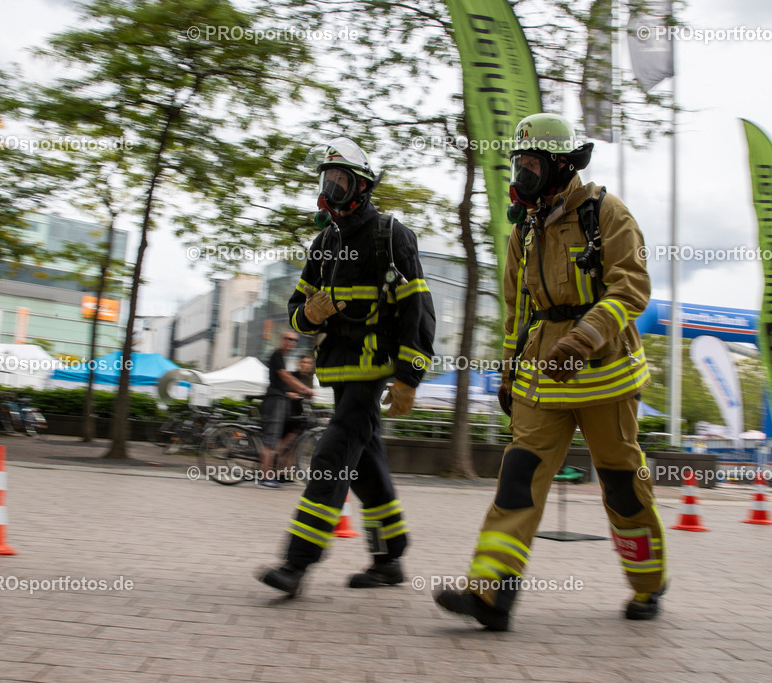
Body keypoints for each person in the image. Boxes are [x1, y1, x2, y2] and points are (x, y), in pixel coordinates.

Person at [434, 113, 667, 631]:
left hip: (605, 375)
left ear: (561, 165)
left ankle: (648, 583)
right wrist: (508, 370)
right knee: (518, 478)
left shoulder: (607, 214)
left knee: (622, 484)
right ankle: (490, 594)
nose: (522, 176)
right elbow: (519, 310)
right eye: (518, 164)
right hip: (544, 375)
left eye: (531, 164)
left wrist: (583, 338)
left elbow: (630, 289)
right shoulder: (525, 231)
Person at [255, 137, 435, 595]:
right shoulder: (323, 244)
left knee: (332, 460)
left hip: (371, 373)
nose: (331, 189)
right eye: (327, 180)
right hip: (338, 374)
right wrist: (308, 314)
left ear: (362, 187)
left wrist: (409, 376)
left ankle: (296, 564)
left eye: (341, 180)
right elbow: (295, 309)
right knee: (366, 464)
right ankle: (389, 557)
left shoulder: (391, 235)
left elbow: (419, 310)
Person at [258, 331, 315, 489]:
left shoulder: (282, 358)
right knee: (271, 440)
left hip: (279, 401)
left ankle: (272, 475)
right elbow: (286, 377)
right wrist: (305, 389)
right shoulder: (276, 354)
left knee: (276, 441)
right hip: (274, 400)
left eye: (294, 340)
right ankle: (265, 477)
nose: (291, 342)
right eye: (288, 339)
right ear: (281, 339)